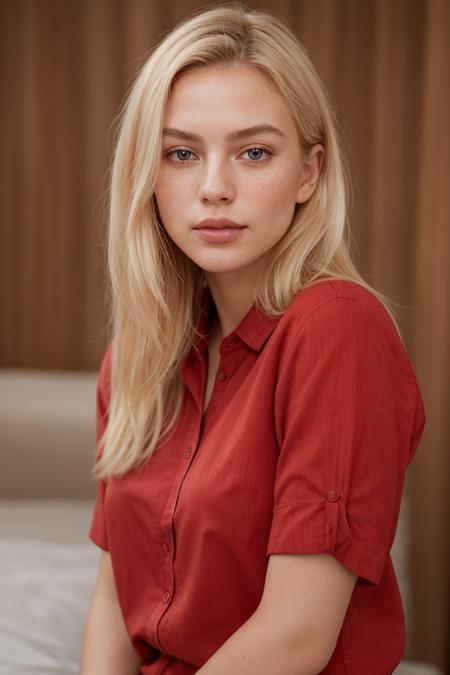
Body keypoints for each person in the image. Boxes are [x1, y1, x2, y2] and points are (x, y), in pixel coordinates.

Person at [79, 3, 426, 674]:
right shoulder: (138, 356)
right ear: (149, 177)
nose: (214, 187)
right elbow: (113, 605)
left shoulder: (337, 328)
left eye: (254, 152)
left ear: (309, 173)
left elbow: (296, 636)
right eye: (181, 153)